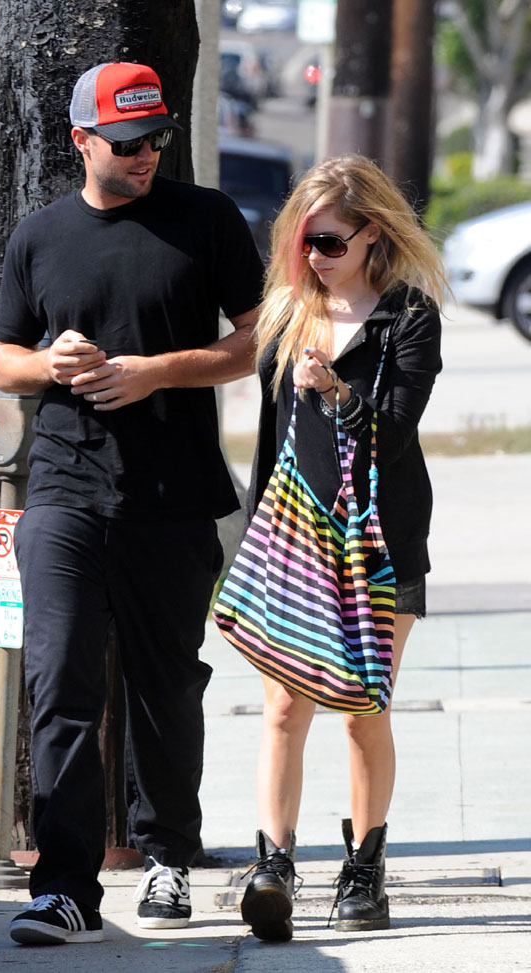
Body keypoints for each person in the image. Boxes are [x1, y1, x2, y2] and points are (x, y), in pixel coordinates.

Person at [0, 61, 263, 946]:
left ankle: (167, 859)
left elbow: (256, 339)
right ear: (81, 140)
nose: (145, 154)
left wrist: (159, 371)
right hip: (63, 494)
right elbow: (3, 359)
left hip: (172, 499)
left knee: (164, 688)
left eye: (155, 139)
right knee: (59, 684)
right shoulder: (38, 236)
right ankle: (65, 889)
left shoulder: (205, 219)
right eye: (126, 141)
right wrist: (49, 364)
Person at [234, 155, 446, 942]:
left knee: (362, 709)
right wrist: (255, 530)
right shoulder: (286, 310)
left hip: (381, 543)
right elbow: (272, 437)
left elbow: (395, 429)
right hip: (293, 538)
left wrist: (336, 391)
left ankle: (364, 868)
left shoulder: (407, 317)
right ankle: (273, 867)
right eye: (301, 240)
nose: (313, 256)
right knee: (284, 706)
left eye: (328, 241)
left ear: (371, 235)